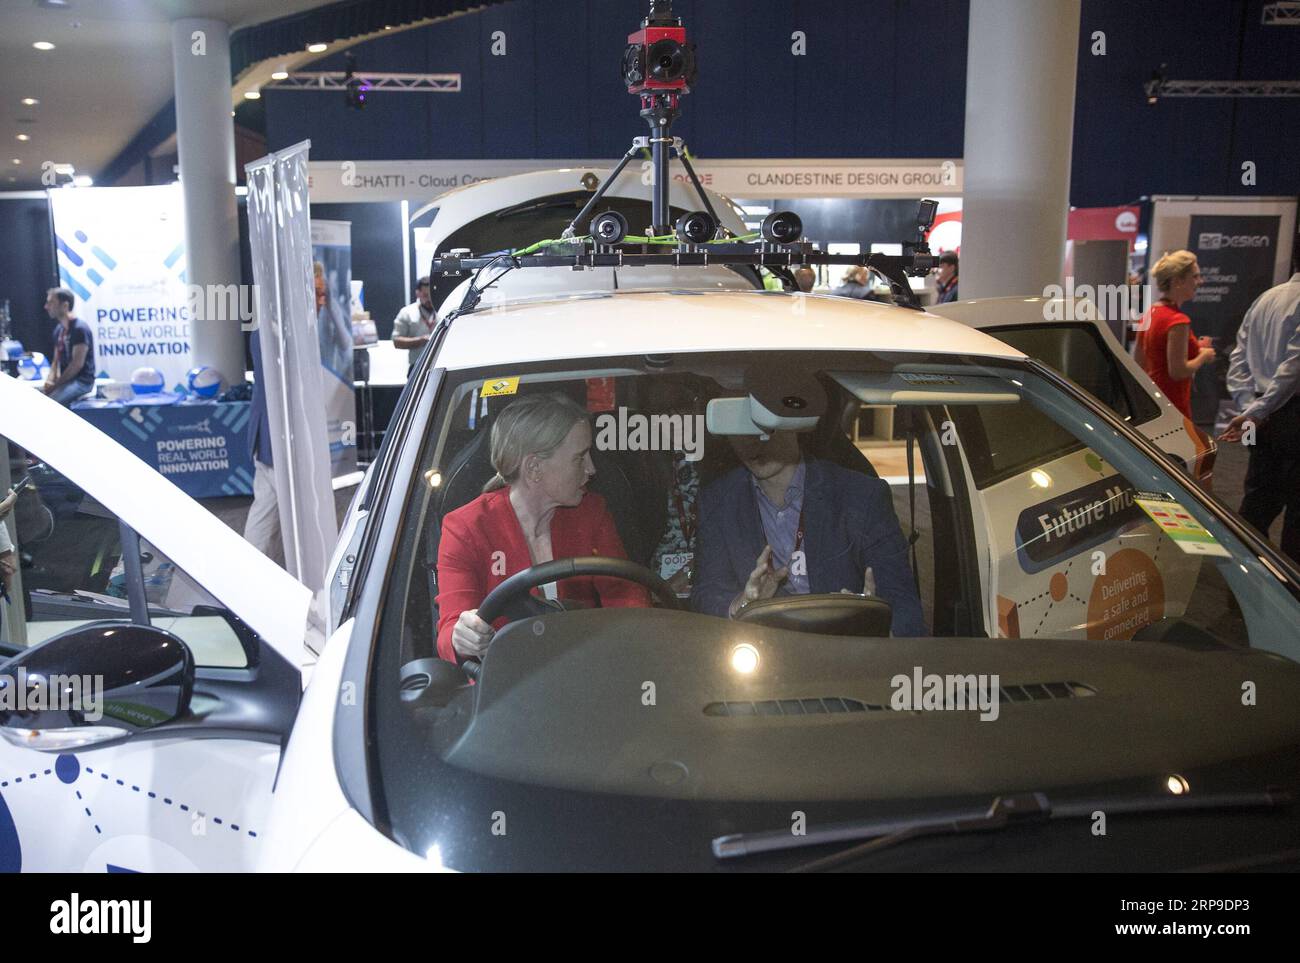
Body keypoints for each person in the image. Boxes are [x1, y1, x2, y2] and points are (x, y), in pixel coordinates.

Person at [436, 392, 650, 663]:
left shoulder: (592, 512)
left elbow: (627, 599)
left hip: (585, 672)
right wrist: (462, 636)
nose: (592, 468)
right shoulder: (466, 528)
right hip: (503, 687)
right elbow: (449, 630)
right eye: (579, 457)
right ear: (534, 468)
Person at [689, 428, 926, 636]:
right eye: (739, 428)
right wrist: (741, 604)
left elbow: (904, 603)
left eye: (766, 428)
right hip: (759, 656)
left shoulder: (861, 495)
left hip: (845, 656)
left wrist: (873, 627)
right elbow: (707, 591)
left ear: (795, 422)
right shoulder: (718, 501)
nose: (751, 440)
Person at [1220, 254, 1300, 560]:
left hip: (1257, 414)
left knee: (1257, 496)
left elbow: (1238, 359)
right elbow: (1292, 371)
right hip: (1288, 415)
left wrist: (1249, 406)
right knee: (1296, 508)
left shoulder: (1265, 299)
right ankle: (1290, 596)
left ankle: (1247, 581)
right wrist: (1259, 411)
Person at [1134, 250, 1215, 420]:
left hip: (1152, 400)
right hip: (1173, 403)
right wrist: (1204, 356)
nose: (1200, 282)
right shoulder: (1177, 320)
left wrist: (1197, 349)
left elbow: (1139, 362)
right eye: (1195, 277)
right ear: (1178, 281)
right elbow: (1178, 371)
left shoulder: (1150, 313)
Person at [243, 331, 283, 565]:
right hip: (278, 441)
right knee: (302, 518)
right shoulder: (279, 332)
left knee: (266, 513)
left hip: (267, 437)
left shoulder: (264, 330)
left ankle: (255, 572)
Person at [42, 287, 96, 406]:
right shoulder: (59, 330)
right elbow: (56, 361)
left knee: (50, 403)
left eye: (51, 302)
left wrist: (56, 386)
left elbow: (76, 365)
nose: (46, 306)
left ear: (65, 305)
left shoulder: (80, 329)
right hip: (66, 382)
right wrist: (50, 380)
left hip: (82, 382)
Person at [392, 276, 436, 371]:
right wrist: (420, 341)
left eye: (431, 295)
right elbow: (396, 341)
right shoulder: (407, 313)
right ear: (418, 293)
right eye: (425, 295)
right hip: (416, 366)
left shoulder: (444, 311)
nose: (429, 299)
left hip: (440, 365)